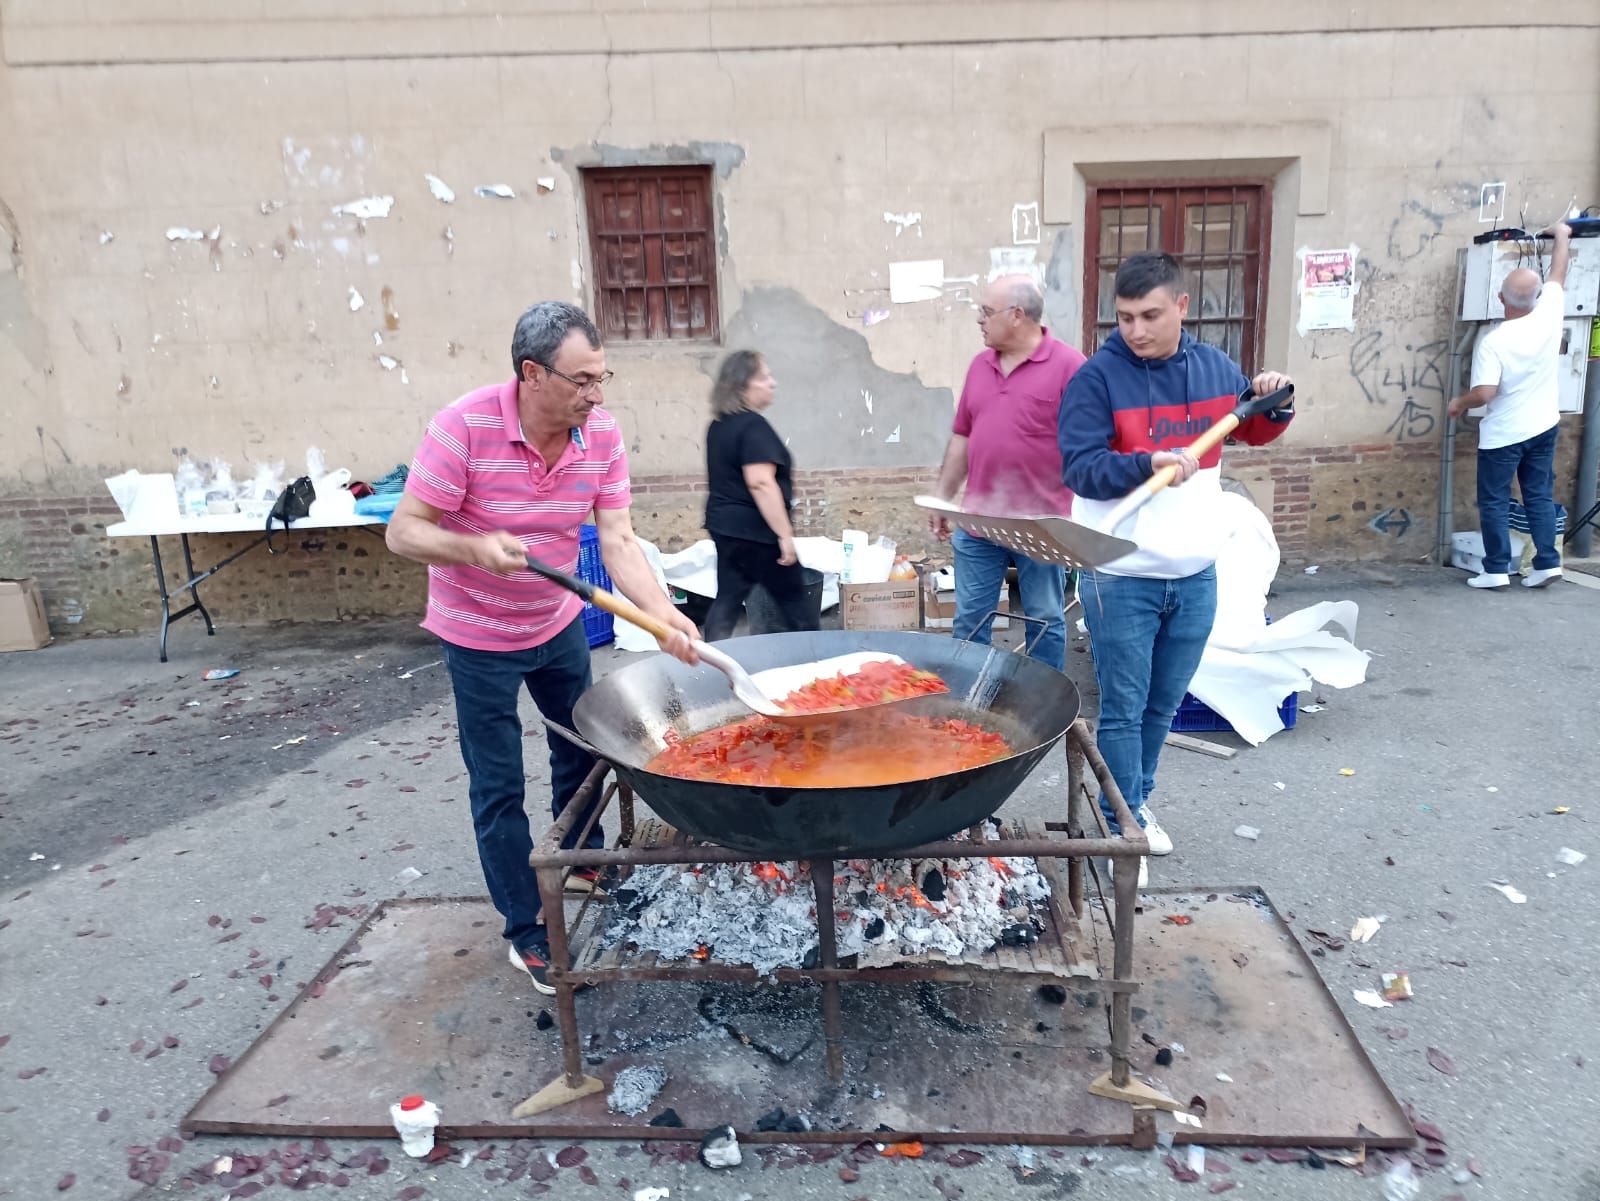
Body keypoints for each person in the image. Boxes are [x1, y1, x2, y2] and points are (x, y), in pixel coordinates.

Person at [386, 301, 699, 994]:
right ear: (533, 374)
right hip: (475, 635)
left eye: (602, 377)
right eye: (583, 380)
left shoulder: (602, 435)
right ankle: (527, 930)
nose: (598, 394)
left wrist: (664, 616)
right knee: (496, 785)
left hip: (557, 623)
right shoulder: (463, 427)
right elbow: (403, 532)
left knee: (585, 750)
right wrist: (472, 546)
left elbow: (617, 540)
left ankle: (584, 856)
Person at [1059, 252, 1295, 870]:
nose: (1135, 330)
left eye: (1150, 315)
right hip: (1120, 574)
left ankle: (1136, 801)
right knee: (1124, 706)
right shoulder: (1096, 379)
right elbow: (1079, 467)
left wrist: (1271, 401)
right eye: (1124, 318)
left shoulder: (1216, 369)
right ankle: (1124, 820)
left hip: (1194, 574)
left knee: (1163, 705)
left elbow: (1250, 430)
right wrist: (1148, 463)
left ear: (1182, 307)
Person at [927, 275, 1086, 670]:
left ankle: (1043, 709)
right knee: (970, 620)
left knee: (1045, 620)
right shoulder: (980, 366)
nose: (979, 321)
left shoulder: (1069, 366)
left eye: (986, 312)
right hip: (979, 522)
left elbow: (1091, 444)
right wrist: (943, 497)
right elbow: (962, 436)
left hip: (1041, 527)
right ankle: (968, 708)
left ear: (1017, 315)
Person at [1447, 220, 1572, 590]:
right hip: (1544, 425)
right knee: (1538, 495)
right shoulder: (1550, 313)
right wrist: (1562, 235)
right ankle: (1547, 563)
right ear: (1534, 298)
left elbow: (1485, 392)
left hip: (1504, 434)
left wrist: (1459, 403)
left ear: (1501, 299)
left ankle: (1497, 568)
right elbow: (1558, 273)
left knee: (1495, 501)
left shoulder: (1495, 342)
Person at [702, 350, 819, 641]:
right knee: (798, 607)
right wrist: (784, 534)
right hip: (756, 534)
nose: (773, 383)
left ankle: (711, 664)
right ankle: (818, 664)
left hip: (725, 528)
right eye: (764, 377)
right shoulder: (753, 426)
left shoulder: (718, 426)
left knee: (727, 601)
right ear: (743, 385)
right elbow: (761, 483)